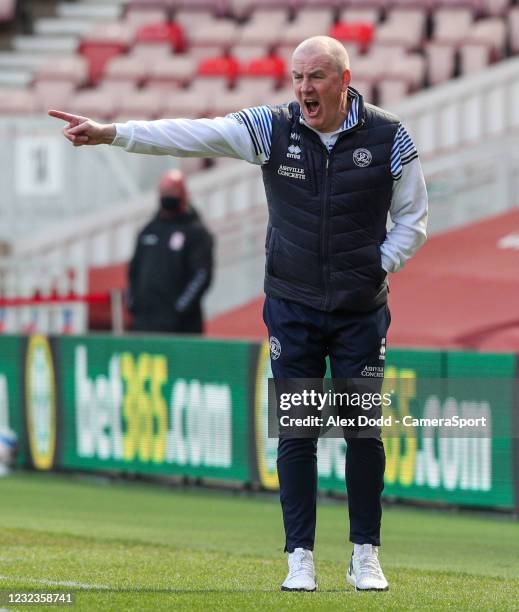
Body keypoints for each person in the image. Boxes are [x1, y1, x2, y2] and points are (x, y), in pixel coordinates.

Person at [49, 35, 428, 593]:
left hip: (360, 312)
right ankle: (300, 556)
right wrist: (113, 133)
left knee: (363, 433)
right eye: (297, 77)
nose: (304, 89)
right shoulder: (271, 129)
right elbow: (193, 132)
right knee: (296, 434)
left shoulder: (389, 136)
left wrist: (378, 264)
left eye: (316, 77)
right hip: (293, 308)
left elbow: (414, 218)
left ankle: (365, 554)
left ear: (345, 80)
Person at [128, 169, 213, 334]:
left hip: (180, 327)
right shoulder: (148, 230)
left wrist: (179, 309)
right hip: (144, 323)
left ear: (183, 194)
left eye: (172, 191)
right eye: (165, 191)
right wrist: (133, 303)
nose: (168, 195)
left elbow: (202, 275)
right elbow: (133, 270)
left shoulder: (196, 232)